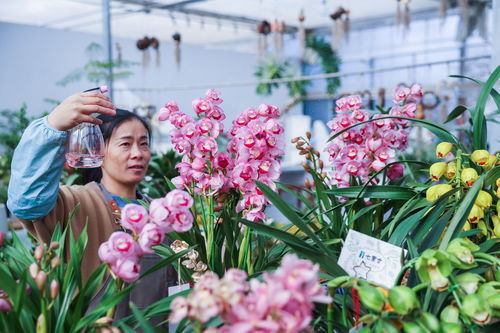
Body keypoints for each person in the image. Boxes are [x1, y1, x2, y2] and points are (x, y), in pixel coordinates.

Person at [7, 90, 176, 320]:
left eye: (144, 144)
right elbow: (27, 202)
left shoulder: (160, 213)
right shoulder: (73, 203)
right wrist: (53, 125)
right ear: (98, 149)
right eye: (125, 144)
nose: (138, 153)